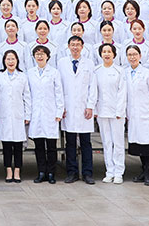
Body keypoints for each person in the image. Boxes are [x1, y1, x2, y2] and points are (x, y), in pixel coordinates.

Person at [59, 36, 97, 185]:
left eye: (78, 45)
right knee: (70, 143)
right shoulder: (62, 63)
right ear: (68, 46)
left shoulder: (89, 63)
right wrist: (61, 107)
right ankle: (72, 172)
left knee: (86, 142)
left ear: (82, 47)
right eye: (72, 45)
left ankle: (88, 173)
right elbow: (59, 87)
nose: (75, 47)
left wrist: (90, 106)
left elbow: (92, 86)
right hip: (68, 108)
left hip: (84, 108)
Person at [26, 45, 63, 183]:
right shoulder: (30, 73)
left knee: (51, 146)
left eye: (42, 54)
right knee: (39, 146)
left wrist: (59, 111)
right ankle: (41, 172)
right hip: (36, 113)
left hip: (50, 112)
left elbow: (59, 93)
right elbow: (27, 94)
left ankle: (51, 173)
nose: (40, 56)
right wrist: (28, 114)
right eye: (37, 54)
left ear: (47, 56)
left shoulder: (54, 73)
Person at [125, 44, 149, 186]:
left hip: (147, 113)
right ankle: (143, 172)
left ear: (140, 56)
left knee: (148, 145)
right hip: (133, 114)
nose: (132, 57)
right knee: (138, 145)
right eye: (130, 55)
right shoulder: (125, 73)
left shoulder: (147, 73)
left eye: (135, 54)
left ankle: (148, 173)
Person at [0, 49, 30, 184]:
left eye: (13, 59)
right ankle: (8, 170)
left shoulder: (22, 76)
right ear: (4, 61)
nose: (10, 62)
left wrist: (27, 114)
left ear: (17, 61)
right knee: (6, 146)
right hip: (3, 114)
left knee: (18, 146)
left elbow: (27, 97)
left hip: (18, 115)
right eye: (8, 59)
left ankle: (17, 171)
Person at [94, 43, 126, 184]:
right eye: (104, 52)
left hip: (117, 113)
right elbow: (94, 91)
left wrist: (120, 111)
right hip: (102, 111)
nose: (106, 54)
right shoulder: (96, 70)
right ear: (100, 54)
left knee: (118, 143)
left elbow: (122, 92)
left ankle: (119, 172)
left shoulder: (120, 70)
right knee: (107, 143)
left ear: (114, 54)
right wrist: (95, 110)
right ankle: (109, 171)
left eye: (109, 51)